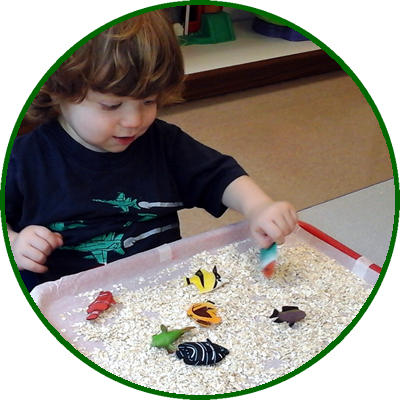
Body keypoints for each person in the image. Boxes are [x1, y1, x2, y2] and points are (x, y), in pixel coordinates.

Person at [6, 10, 298, 290]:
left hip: (162, 285)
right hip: (65, 301)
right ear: (57, 89)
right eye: (111, 105)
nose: (135, 121)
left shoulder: (164, 143)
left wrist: (258, 206)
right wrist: (15, 243)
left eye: (149, 101)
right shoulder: (22, 161)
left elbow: (219, 175)